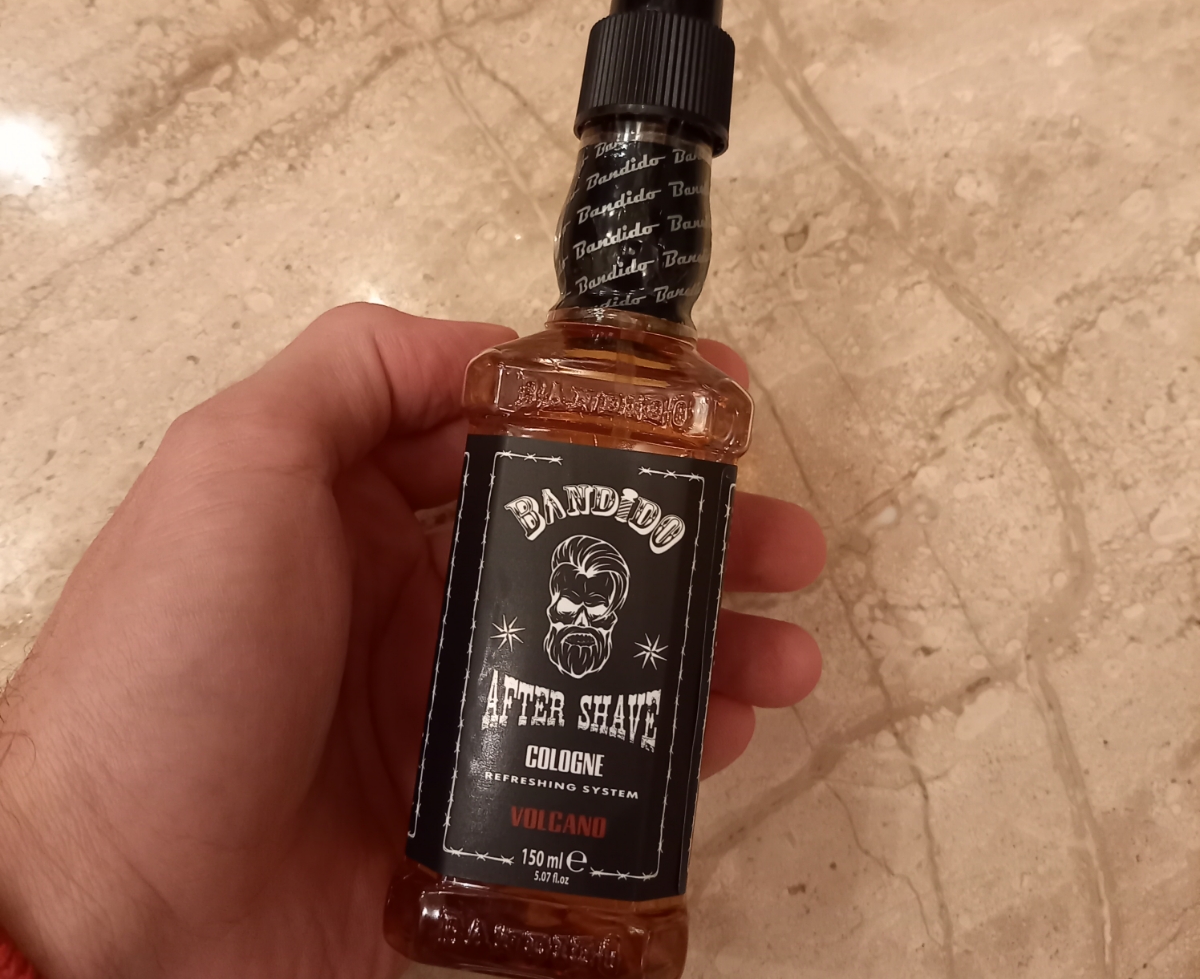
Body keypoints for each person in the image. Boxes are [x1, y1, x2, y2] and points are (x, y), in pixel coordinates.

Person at [0, 305, 824, 978]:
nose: (578, 622)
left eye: (595, 610)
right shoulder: (570, 385)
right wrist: (76, 863)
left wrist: (80, 883)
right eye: (570, 603)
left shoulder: (644, 397)